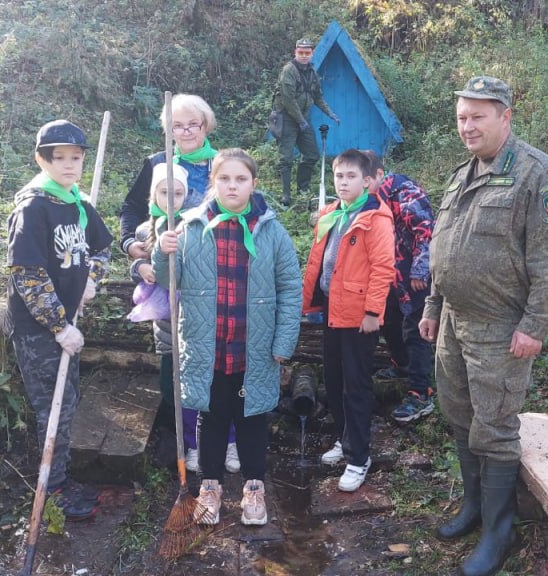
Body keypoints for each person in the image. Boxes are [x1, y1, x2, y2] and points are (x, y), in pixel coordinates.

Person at [418, 77, 548, 576]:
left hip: (500, 328)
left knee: (496, 428)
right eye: (462, 117)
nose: (468, 126)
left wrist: (535, 325)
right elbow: (445, 250)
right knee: (460, 415)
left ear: (505, 117)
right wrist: (431, 306)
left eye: (478, 117)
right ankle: (475, 508)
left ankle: (499, 532)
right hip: (453, 323)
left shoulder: (536, 174)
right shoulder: (462, 174)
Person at [154, 148, 302, 526]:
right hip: (208, 347)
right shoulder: (189, 228)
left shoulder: (270, 230)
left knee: (252, 419)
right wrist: (160, 252)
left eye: (240, 179)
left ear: (253, 183)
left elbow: (290, 288)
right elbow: (170, 282)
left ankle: (254, 487)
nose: (232, 186)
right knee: (211, 417)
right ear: (213, 183)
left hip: (254, 350)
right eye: (224, 179)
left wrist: (284, 343)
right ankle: (211, 485)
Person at [119, 94, 240, 474]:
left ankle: (229, 440)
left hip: (215, 282)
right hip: (168, 284)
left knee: (221, 364)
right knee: (176, 364)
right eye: (177, 126)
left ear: (206, 126)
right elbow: (130, 212)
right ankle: (187, 440)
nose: (186, 132)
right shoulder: (158, 164)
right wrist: (133, 250)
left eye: (194, 124)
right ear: (168, 131)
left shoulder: (222, 163)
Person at [6, 119, 113, 520]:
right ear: (42, 159)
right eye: (59, 158)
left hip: (66, 324)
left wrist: (91, 281)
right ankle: (53, 489)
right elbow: (27, 274)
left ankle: (60, 479)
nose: (69, 165)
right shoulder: (33, 207)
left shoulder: (78, 204)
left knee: (66, 403)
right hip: (38, 331)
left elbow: (101, 251)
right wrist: (59, 326)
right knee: (52, 408)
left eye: (76, 157)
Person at [302, 149, 395, 492]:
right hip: (331, 310)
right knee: (334, 378)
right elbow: (319, 261)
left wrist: (373, 312)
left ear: (368, 182)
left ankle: (359, 458)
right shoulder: (330, 214)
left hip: (359, 318)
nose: (343, 182)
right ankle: (344, 439)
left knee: (356, 385)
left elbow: (383, 268)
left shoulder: (376, 219)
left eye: (351, 177)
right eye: (339, 176)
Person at [358, 151, 436, 423]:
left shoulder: (404, 192)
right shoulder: (370, 199)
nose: (363, 185)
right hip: (389, 276)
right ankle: (401, 364)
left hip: (412, 276)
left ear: (380, 174)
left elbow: (426, 230)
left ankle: (420, 393)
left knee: (415, 330)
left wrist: (420, 269)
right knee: (388, 321)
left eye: (367, 179)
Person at [274, 37, 339, 206]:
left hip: (304, 118)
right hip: (287, 118)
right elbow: (288, 100)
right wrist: (300, 121)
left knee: (312, 155)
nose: (304, 56)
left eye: (307, 53)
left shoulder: (311, 72)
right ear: (295, 52)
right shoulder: (289, 70)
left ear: (312, 53)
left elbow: (317, 96)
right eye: (301, 53)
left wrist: (330, 113)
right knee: (286, 158)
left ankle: (302, 189)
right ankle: (286, 196)